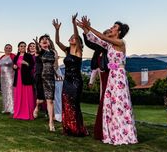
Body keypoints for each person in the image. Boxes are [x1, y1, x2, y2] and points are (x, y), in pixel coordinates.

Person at [77, 16, 137, 145]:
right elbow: (96, 40)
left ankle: (124, 133)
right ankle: (112, 131)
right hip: (111, 76)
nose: (112, 27)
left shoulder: (121, 42)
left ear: (119, 32)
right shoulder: (109, 45)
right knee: (111, 103)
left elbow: (103, 37)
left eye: (114, 27)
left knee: (120, 103)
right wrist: (85, 30)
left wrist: (89, 27)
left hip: (119, 76)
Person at [54, 16, 88, 137]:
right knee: (66, 103)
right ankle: (68, 127)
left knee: (74, 104)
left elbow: (77, 36)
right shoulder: (67, 50)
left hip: (76, 81)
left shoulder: (78, 50)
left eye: (74, 37)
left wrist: (73, 23)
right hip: (67, 81)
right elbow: (57, 42)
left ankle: (77, 128)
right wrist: (57, 29)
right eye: (71, 37)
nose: (72, 38)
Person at [84, 28, 110, 141]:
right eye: (105, 34)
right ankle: (103, 122)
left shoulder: (110, 47)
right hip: (103, 75)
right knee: (102, 98)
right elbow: (95, 68)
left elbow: (115, 63)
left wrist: (113, 69)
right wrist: (85, 32)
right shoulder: (99, 49)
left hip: (110, 74)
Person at [37, 34, 59, 131]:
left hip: (50, 78)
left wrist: (56, 74)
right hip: (42, 77)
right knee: (41, 99)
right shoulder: (40, 52)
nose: (45, 41)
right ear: (40, 43)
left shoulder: (53, 52)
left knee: (50, 100)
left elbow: (54, 66)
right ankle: (37, 107)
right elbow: (38, 51)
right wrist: (37, 44)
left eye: (47, 39)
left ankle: (51, 121)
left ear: (49, 42)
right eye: (43, 40)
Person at [12, 41, 36, 120]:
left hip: (26, 79)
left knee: (27, 95)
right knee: (18, 95)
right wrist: (14, 67)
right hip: (18, 79)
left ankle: (28, 113)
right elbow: (14, 66)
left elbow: (32, 66)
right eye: (21, 46)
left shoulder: (28, 56)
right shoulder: (16, 57)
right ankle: (18, 112)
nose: (23, 47)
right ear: (18, 48)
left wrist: (26, 63)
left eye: (24, 46)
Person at [0, 44, 16, 114]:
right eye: (7, 48)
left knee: (11, 92)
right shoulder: (2, 57)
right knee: (4, 92)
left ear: (11, 49)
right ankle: (6, 108)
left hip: (11, 77)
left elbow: (16, 65)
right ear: (4, 49)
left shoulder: (13, 56)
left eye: (10, 48)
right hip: (3, 78)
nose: (8, 49)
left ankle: (12, 108)